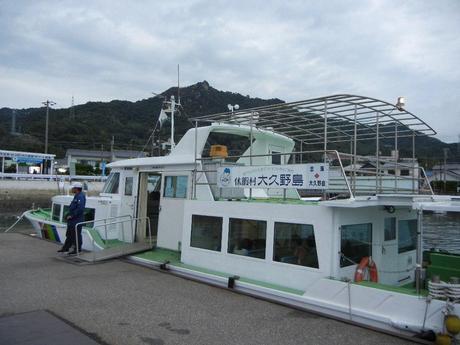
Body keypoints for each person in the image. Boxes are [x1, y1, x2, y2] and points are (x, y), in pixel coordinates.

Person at [57, 182, 86, 254]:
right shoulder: (77, 196)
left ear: (76, 189)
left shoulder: (80, 196)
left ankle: (77, 250)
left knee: (76, 235)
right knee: (69, 234)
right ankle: (66, 248)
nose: (72, 189)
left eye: (73, 188)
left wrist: (72, 216)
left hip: (76, 220)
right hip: (73, 220)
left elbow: (80, 208)